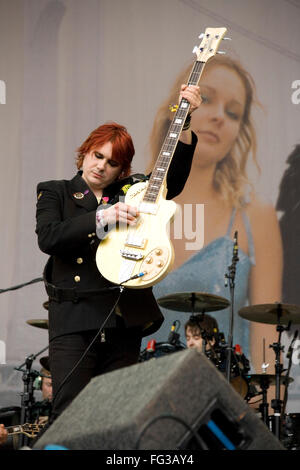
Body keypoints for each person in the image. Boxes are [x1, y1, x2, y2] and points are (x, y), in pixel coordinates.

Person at [35, 86, 201, 422]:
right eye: (98, 155)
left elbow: (173, 179)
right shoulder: (56, 191)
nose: (101, 166)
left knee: (116, 416)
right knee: (70, 415)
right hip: (74, 318)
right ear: (85, 153)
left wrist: (183, 122)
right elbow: (49, 237)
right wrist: (100, 218)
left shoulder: (133, 190)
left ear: (122, 169)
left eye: (112, 162)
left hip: (123, 317)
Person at [148, 54, 282, 376]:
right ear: (178, 108)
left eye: (233, 112)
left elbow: (268, 339)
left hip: (222, 397)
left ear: (240, 130)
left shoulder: (256, 217)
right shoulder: (136, 201)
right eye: (205, 99)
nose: (220, 117)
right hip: (140, 397)